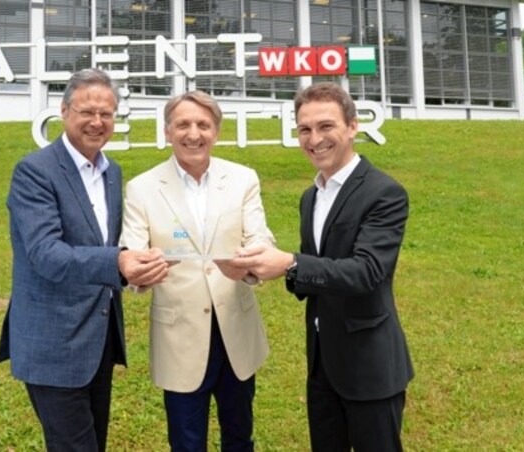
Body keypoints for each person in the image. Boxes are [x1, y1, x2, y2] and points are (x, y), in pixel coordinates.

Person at [224, 82, 414, 451]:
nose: (315, 139)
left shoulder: (384, 193)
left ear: (353, 126)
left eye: (326, 126)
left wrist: (291, 263)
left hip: (369, 366)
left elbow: (367, 272)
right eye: (305, 130)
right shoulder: (311, 197)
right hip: (323, 363)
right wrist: (260, 267)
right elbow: (317, 269)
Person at [0, 68, 169, 452]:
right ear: (63, 111)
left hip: (97, 340)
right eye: (87, 112)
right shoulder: (34, 171)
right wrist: (119, 263)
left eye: (106, 114)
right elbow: (45, 254)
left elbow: (107, 243)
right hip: (52, 343)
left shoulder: (111, 173)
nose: (97, 122)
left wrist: (139, 265)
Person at [119, 90, 275, 451]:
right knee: (187, 442)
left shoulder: (243, 179)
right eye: (183, 124)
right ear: (167, 132)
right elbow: (132, 251)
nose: (194, 133)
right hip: (180, 336)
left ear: (216, 132)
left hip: (236, 330)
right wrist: (139, 269)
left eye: (203, 125)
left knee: (239, 435)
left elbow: (260, 237)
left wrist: (252, 261)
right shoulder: (142, 188)